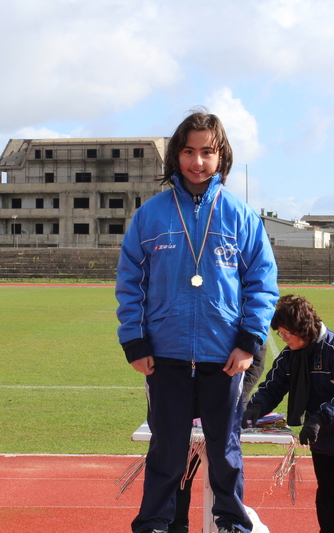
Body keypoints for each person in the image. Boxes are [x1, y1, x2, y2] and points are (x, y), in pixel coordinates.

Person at [116, 109, 279, 533]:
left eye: (207, 151)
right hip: (165, 353)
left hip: (223, 354)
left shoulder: (240, 216)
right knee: (166, 451)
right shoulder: (151, 216)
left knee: (225, 451)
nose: (197, 161)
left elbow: (262, 283)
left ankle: (231, 523)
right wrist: (135, 341)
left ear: (221, 156)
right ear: (176, 155)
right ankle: (153, 523)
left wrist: (249, 341)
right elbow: (130, 281)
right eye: (188, 151)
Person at [244, 295, 334, 533]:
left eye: (286, 333)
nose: (283, 338)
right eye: (280, 333)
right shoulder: (289, 355)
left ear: (302, 329)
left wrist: (319, 419)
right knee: (328, 493)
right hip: (322, 433)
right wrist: (255, 408)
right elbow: (273, 387)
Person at [170, 343, 268, 533]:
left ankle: (231, 525)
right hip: (188, 411)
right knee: (180, 473)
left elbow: (256, 359)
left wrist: (236, 397)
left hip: (225, 409)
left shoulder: (244, 320)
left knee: (225, 470)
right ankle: (175, 527)